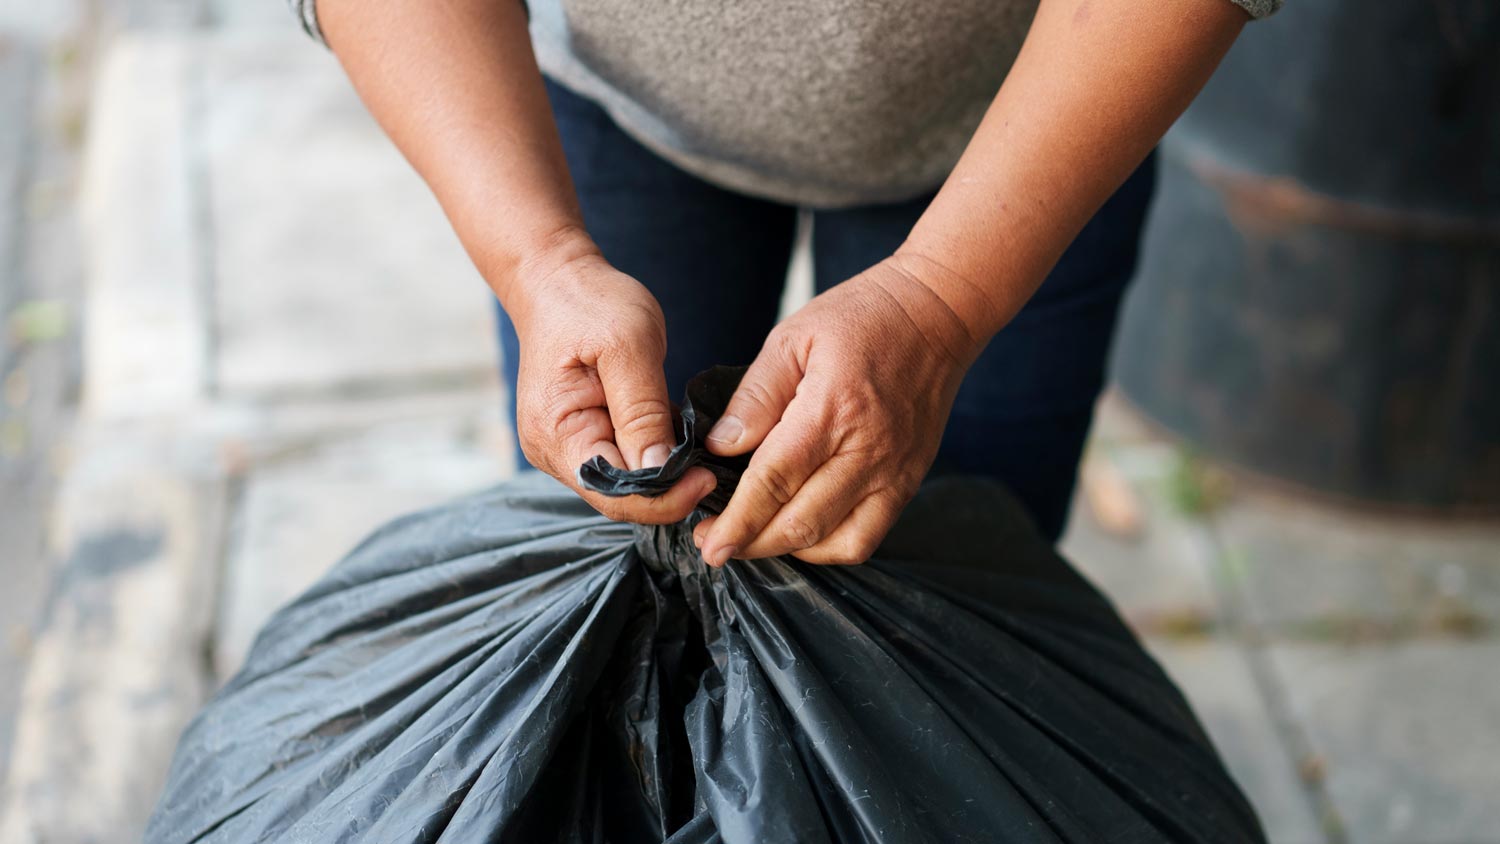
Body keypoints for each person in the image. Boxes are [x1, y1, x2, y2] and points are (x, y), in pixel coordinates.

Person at [298, 0, 1276, 565]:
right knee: (608, 565)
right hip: (614, 115)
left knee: (960, 592)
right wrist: (541, 259)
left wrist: (941, 302)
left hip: (1033, 124)